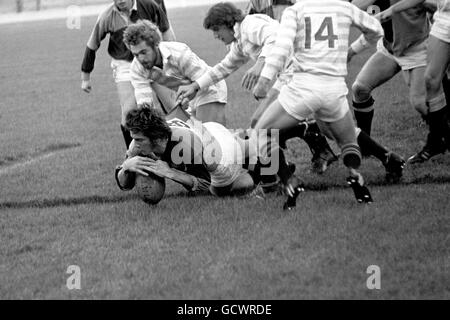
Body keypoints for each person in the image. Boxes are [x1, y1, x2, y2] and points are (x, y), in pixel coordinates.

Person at [176, 2, 338, 175]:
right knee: (266, 126)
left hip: (298, 75)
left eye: (216, 29)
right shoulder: (238, 42)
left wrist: (260, 64)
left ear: (226, 23)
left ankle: (275, 179)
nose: (215, 35)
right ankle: (305, 148)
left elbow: (276, 37)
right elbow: (224, 67)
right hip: (289, 78)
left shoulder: (249, 25)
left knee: (259, 126)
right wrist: (195, 86)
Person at [252, 0, 387, 203]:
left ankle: (289, 180)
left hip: (303, 88)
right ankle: (355, 175)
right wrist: (352, 50)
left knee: (261, 133)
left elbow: (282, 46)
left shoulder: (296, 10)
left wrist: (264, 80)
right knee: (346, 141)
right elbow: (376, 30)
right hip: (334, 89)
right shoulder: (344, 7)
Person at [81, 0, 176, 149]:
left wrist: (171, 59)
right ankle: (133, 158)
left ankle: (183, 150)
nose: (121, 0)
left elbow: (166, 30)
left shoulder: (149, 5)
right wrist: (85, 76)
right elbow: (92, 45)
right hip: (125, 66)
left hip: (153, 60)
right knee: (128, 113)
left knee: (173, 105)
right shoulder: (107, 16)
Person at [116, 105, 263, 197]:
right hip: (205, 132)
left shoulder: (184, 146)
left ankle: (261, 154)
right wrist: (127, 167)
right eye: (134, 138)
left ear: (155, 138)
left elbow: (204, 184)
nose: (135, 143)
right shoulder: (139, 142)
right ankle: (251, 141)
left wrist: (171, 173)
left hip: (222, 156)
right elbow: (124, 184)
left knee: (219, 191)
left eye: (140, 139)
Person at [378, 0, 450, 162]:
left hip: (420, 38)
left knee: (425, 92)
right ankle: (436, 141)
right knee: (431, 80)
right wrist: (392, 10)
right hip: (445, 18)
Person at [123, 20, 228, 125]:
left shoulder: (179, 54)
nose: (141, 59)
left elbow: (204, 80)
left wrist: (187, 97)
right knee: (192, 136)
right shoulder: (137, 68)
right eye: (136, 55)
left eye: (144, 52)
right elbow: (145, 103)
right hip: (190, 98)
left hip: (209, 87)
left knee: (208, 136)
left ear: (155, 44)